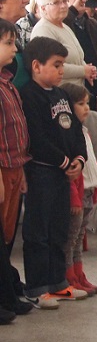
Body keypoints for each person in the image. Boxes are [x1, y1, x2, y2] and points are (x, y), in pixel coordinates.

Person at [19, 37, 89, 308]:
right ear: (36, 66)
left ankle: (58, 282)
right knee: (39, 231)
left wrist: (79, 160)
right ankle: (37, 287)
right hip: (41, 173)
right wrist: (62, 161)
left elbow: (75, 131)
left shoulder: (61, 95)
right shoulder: (29, 96)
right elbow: (35, 137)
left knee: (59, 228)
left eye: (63, 65)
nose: (62, 70)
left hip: (64, 174)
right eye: (57, 65)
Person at [59, 83, 97, 296]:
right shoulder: (68, 135)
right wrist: (74, 199)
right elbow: (71, 170)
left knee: (79, 237)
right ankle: (68, 277)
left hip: (89, 191)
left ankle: (79, 275)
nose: (86, 108)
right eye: (80, 104)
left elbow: (90, 160)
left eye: (87, 103)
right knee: (70, 240)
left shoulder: (84, 131)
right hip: (77, 197)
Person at [0, 18, 34, 319]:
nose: (15, 49)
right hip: (1, 170)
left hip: (14, 166)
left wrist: (20, 169)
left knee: (8, 233)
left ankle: (7, 292)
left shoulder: (7, 82)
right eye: (9, 43)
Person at [30, 0, 97, 89]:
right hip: (60, 92)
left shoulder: (65, 26)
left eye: (64, 1)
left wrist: (89, 70)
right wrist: (83, 71)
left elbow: (78, 57)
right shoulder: (43, 29)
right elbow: (51, 66)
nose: (63, 6)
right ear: (43, 8)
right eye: (56, 2)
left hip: (77, 91)